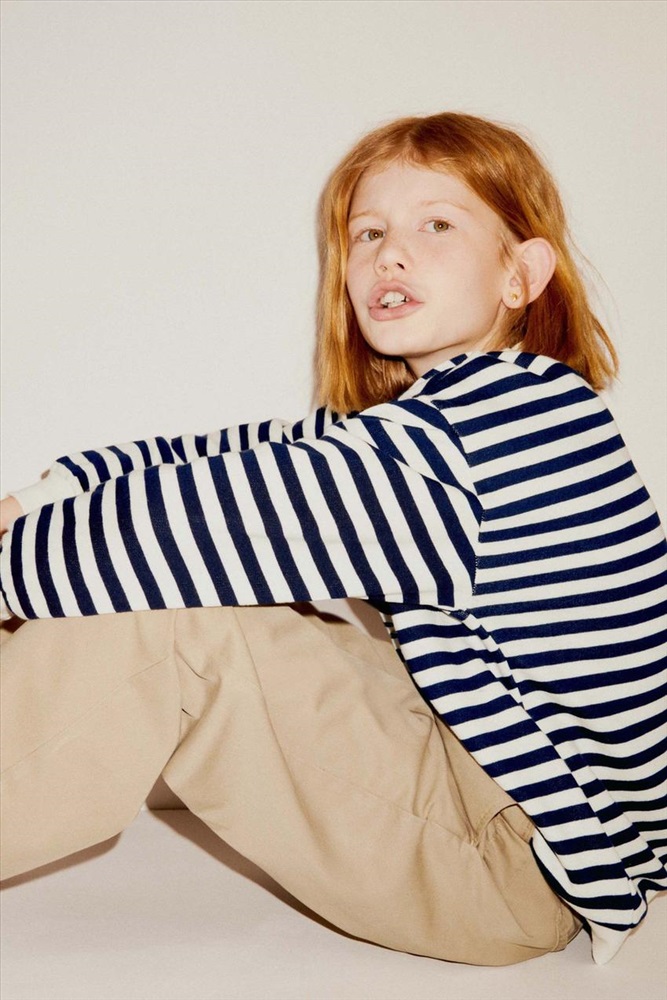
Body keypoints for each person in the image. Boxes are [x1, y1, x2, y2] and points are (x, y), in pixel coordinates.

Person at [1, 112, 665, 968]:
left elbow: (183, 527)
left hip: (510, 868)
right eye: (368, 234)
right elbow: (244, 457)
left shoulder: (485, 432)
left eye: (436, 225)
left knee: (175, 618)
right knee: (207, 582)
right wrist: (48, 492)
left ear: (520, 274)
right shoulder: (465, 415)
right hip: (495, 793)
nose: (390, 256)